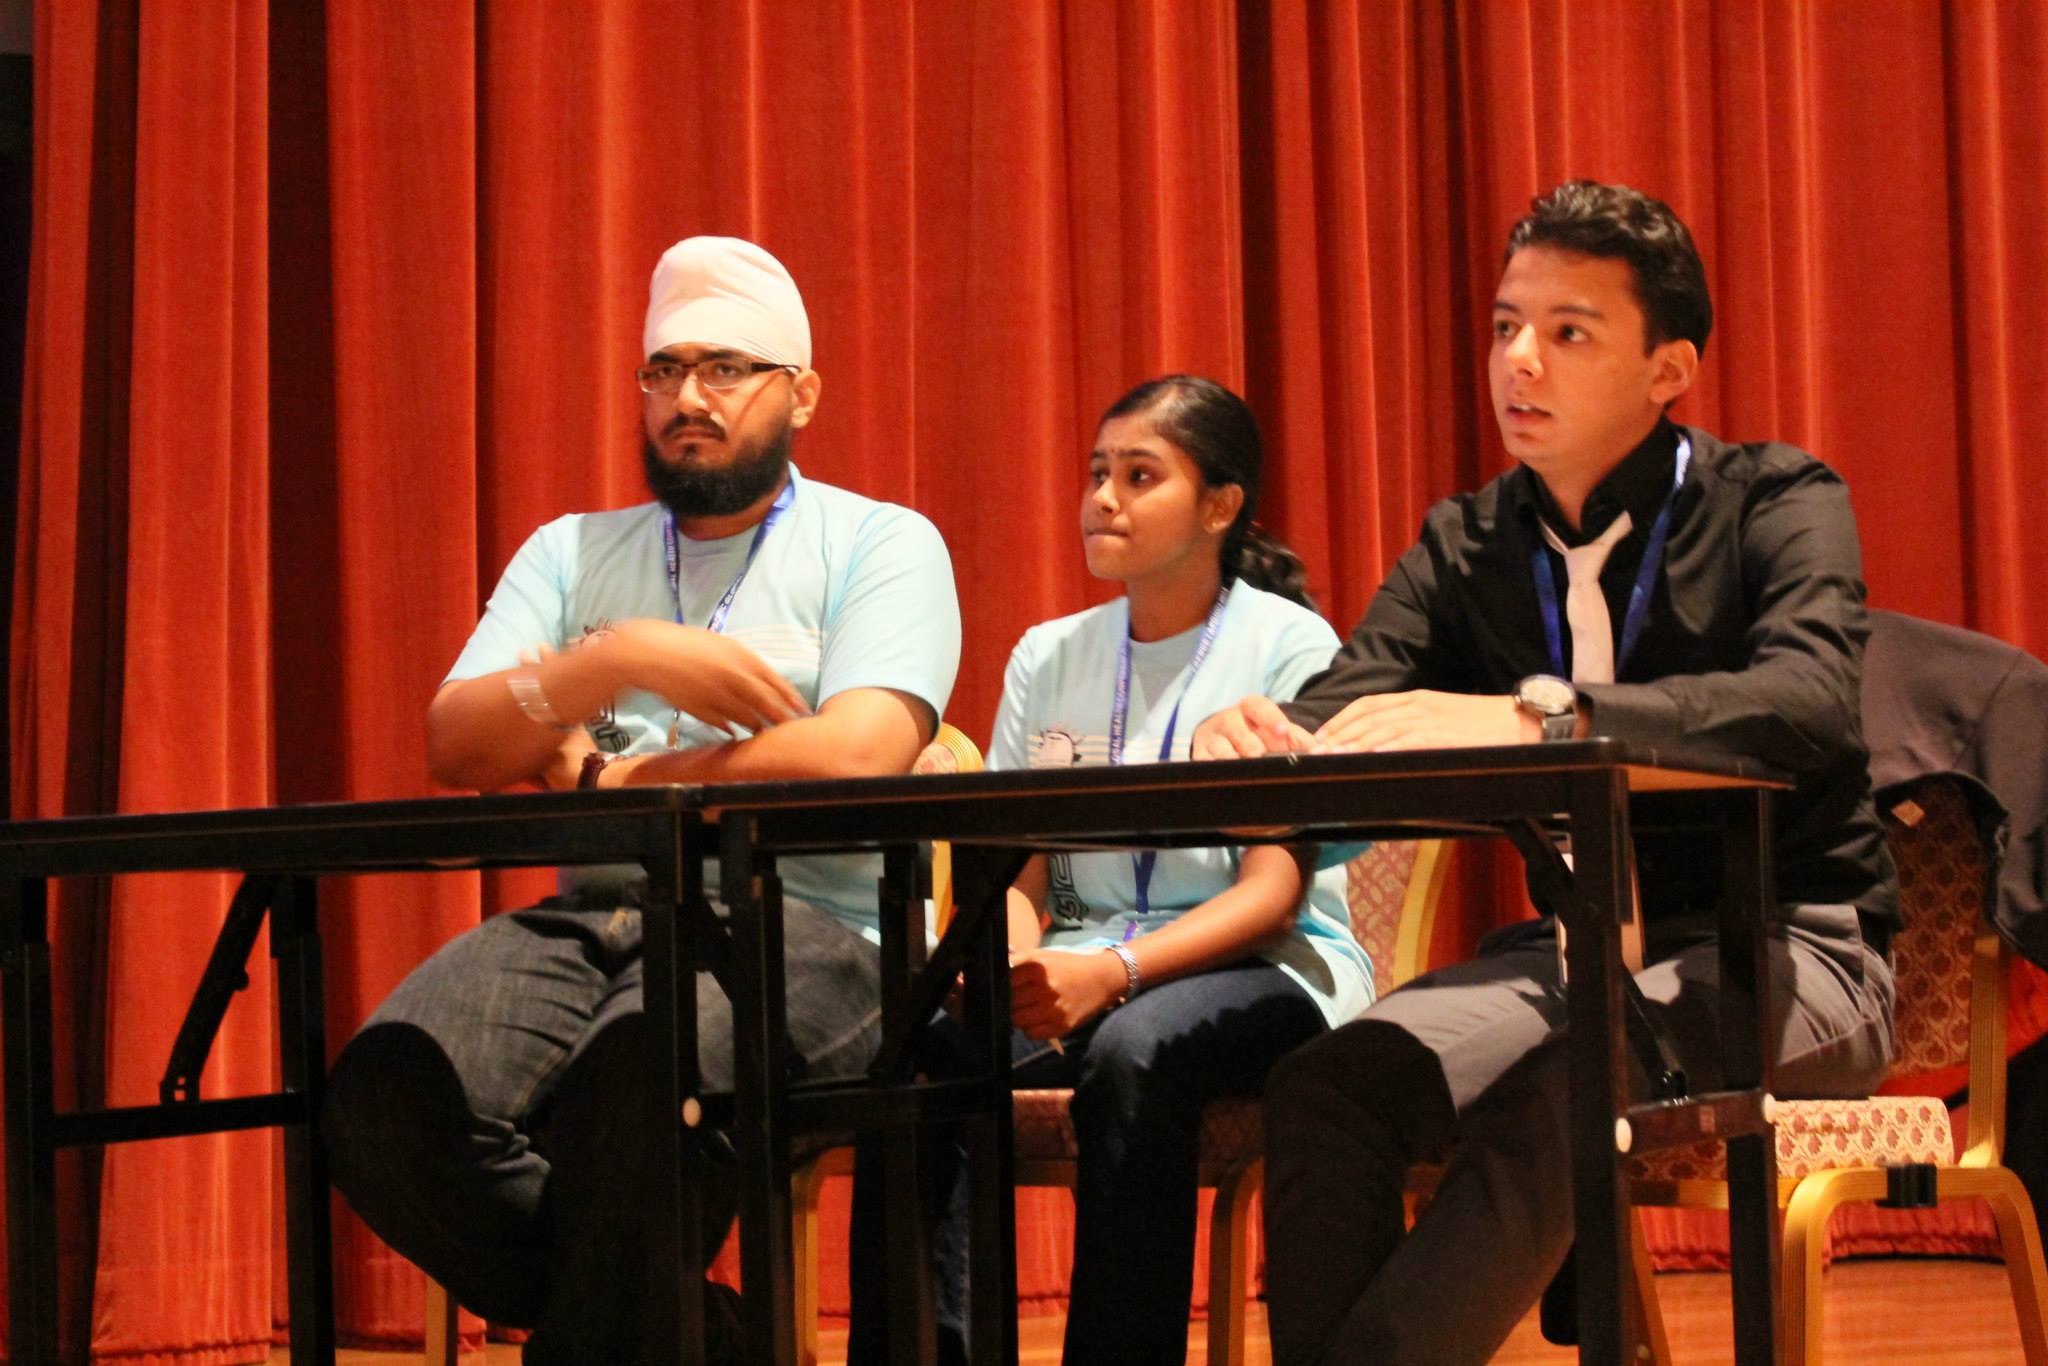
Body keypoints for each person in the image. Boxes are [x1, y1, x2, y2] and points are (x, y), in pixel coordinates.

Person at [1193, 181, 1899, 1365]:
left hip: (1788, 940)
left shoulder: (1776, 500)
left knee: (1569, 1083)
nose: (1517, 360)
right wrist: (1258, 733)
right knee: (1330, 1083)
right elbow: (1344, 709)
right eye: (1504, 325)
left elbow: (1806, 700)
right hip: (1574, 948)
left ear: (1667, 369)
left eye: (1567, 331)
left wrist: (1545, 716)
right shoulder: (1465, 540)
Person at [322, 236, 961, 1365]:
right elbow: (457, 741)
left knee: (641, 1070)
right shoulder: (572, 552)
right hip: (601, 913)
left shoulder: (880, 542)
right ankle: (696, 1333)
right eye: (664, 371)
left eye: (725, 369)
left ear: (802, 393)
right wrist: (613, 658)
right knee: (388, 1095)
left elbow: (858, 752)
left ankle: (633, 1334)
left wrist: (612, 776)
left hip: (809, 926)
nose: (687, 399)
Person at [862, 375, 1372, 1366]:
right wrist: (1011, 966)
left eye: (1139, 476)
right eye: (1097, 472)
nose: (1102, 498)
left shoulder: (1288, 644)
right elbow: (1015, 873)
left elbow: (1271, 897)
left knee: (1137, 1049)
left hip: (1265, 970)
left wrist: (1114, 973)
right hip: (1079, 959)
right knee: (918, 1044)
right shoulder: (1047, 656)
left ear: (1219, 506)